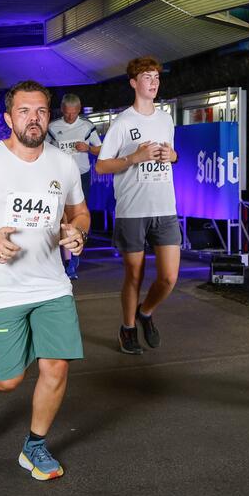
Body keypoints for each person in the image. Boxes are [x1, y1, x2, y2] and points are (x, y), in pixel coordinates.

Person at [0, 80, 89, 481]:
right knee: (9, 379)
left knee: (56, 367)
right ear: (9, 118)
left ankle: (35, 446)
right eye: (25, 111)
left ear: (50, 115)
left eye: (41, 110)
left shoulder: (62, 163)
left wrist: (77, 231)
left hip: (51, 284)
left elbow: (79, 212)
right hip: (0, 287)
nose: (34, 118)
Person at [96, 56, 180, 355]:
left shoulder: (166, 118)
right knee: (135, 274)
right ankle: (128, 328)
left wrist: (172, 157)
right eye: (147, 76)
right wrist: (134, 158)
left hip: (165, 207)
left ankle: (146, 312)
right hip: (132, 210)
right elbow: (102, 166)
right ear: (133, 83)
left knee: (169, 277)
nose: (154, 81)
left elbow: (173, 156)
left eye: (157, 76)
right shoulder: (123, 122)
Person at [47, 93, 101, 279]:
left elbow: (102, 149)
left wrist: (88, 148)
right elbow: (42, 149)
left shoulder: (87, 126)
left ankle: (74, 259)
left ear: (79, 110)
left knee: (79, 215)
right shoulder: (53, 127)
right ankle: (63, 259)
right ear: (62, 110)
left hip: (81, 176)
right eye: (67, 113)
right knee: (61, 217)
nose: (70, 117)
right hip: (58, 178)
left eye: (74, 113)